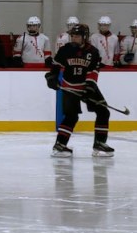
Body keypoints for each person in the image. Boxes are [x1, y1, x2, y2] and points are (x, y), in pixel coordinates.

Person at [44, 24, 113, 158]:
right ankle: (60, 145)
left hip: (87, 86)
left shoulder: (93, 51)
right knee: (71, 116)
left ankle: (99, 143)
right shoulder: (65, 50)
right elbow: (56, 66)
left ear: (84, 37)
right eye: (72, 36)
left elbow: (93, 71)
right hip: (70, 87)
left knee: (103, 111)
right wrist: (51, 77)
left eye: (77, 36)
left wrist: (89, 87)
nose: (73, 38)